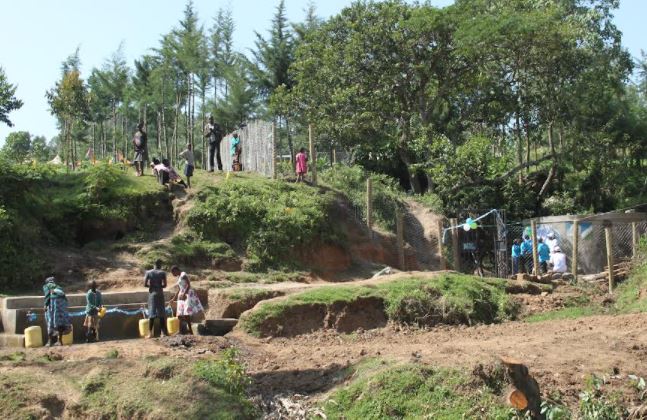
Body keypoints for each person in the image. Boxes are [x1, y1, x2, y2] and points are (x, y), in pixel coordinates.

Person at [169, 267, 204, 335]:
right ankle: (183, 330)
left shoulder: (183, 274)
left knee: (186, 313)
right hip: (181, 295)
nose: (173, 274)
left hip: (187, 295)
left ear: (176, 270)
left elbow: (188, 285)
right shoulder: (179, 277)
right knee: (179, 315)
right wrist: (174, 298)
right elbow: (179, 289)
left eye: (173, 272)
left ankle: (189, 330)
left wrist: (185, 294)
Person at [43, 277, 72, 347]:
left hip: (54, 301)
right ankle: (59, 341)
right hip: (63, 302)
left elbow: (47, 295)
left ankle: (50, 341)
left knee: (50, 319)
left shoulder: (46, 286)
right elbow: (63, 296)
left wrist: (45, 304)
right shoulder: (58, 286)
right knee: (60, 321)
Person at [144, 259, 169, 338]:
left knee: (151, 313)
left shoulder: (148, 272)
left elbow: (145, 284)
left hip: (152, 294)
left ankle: (150, 334)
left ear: (153, 264)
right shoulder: (162, 273)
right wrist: (159, 286)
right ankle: (162, 333)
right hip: (160, 294)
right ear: (160, 265)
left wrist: (151, 286)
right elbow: (165, 285)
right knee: (161, 313)